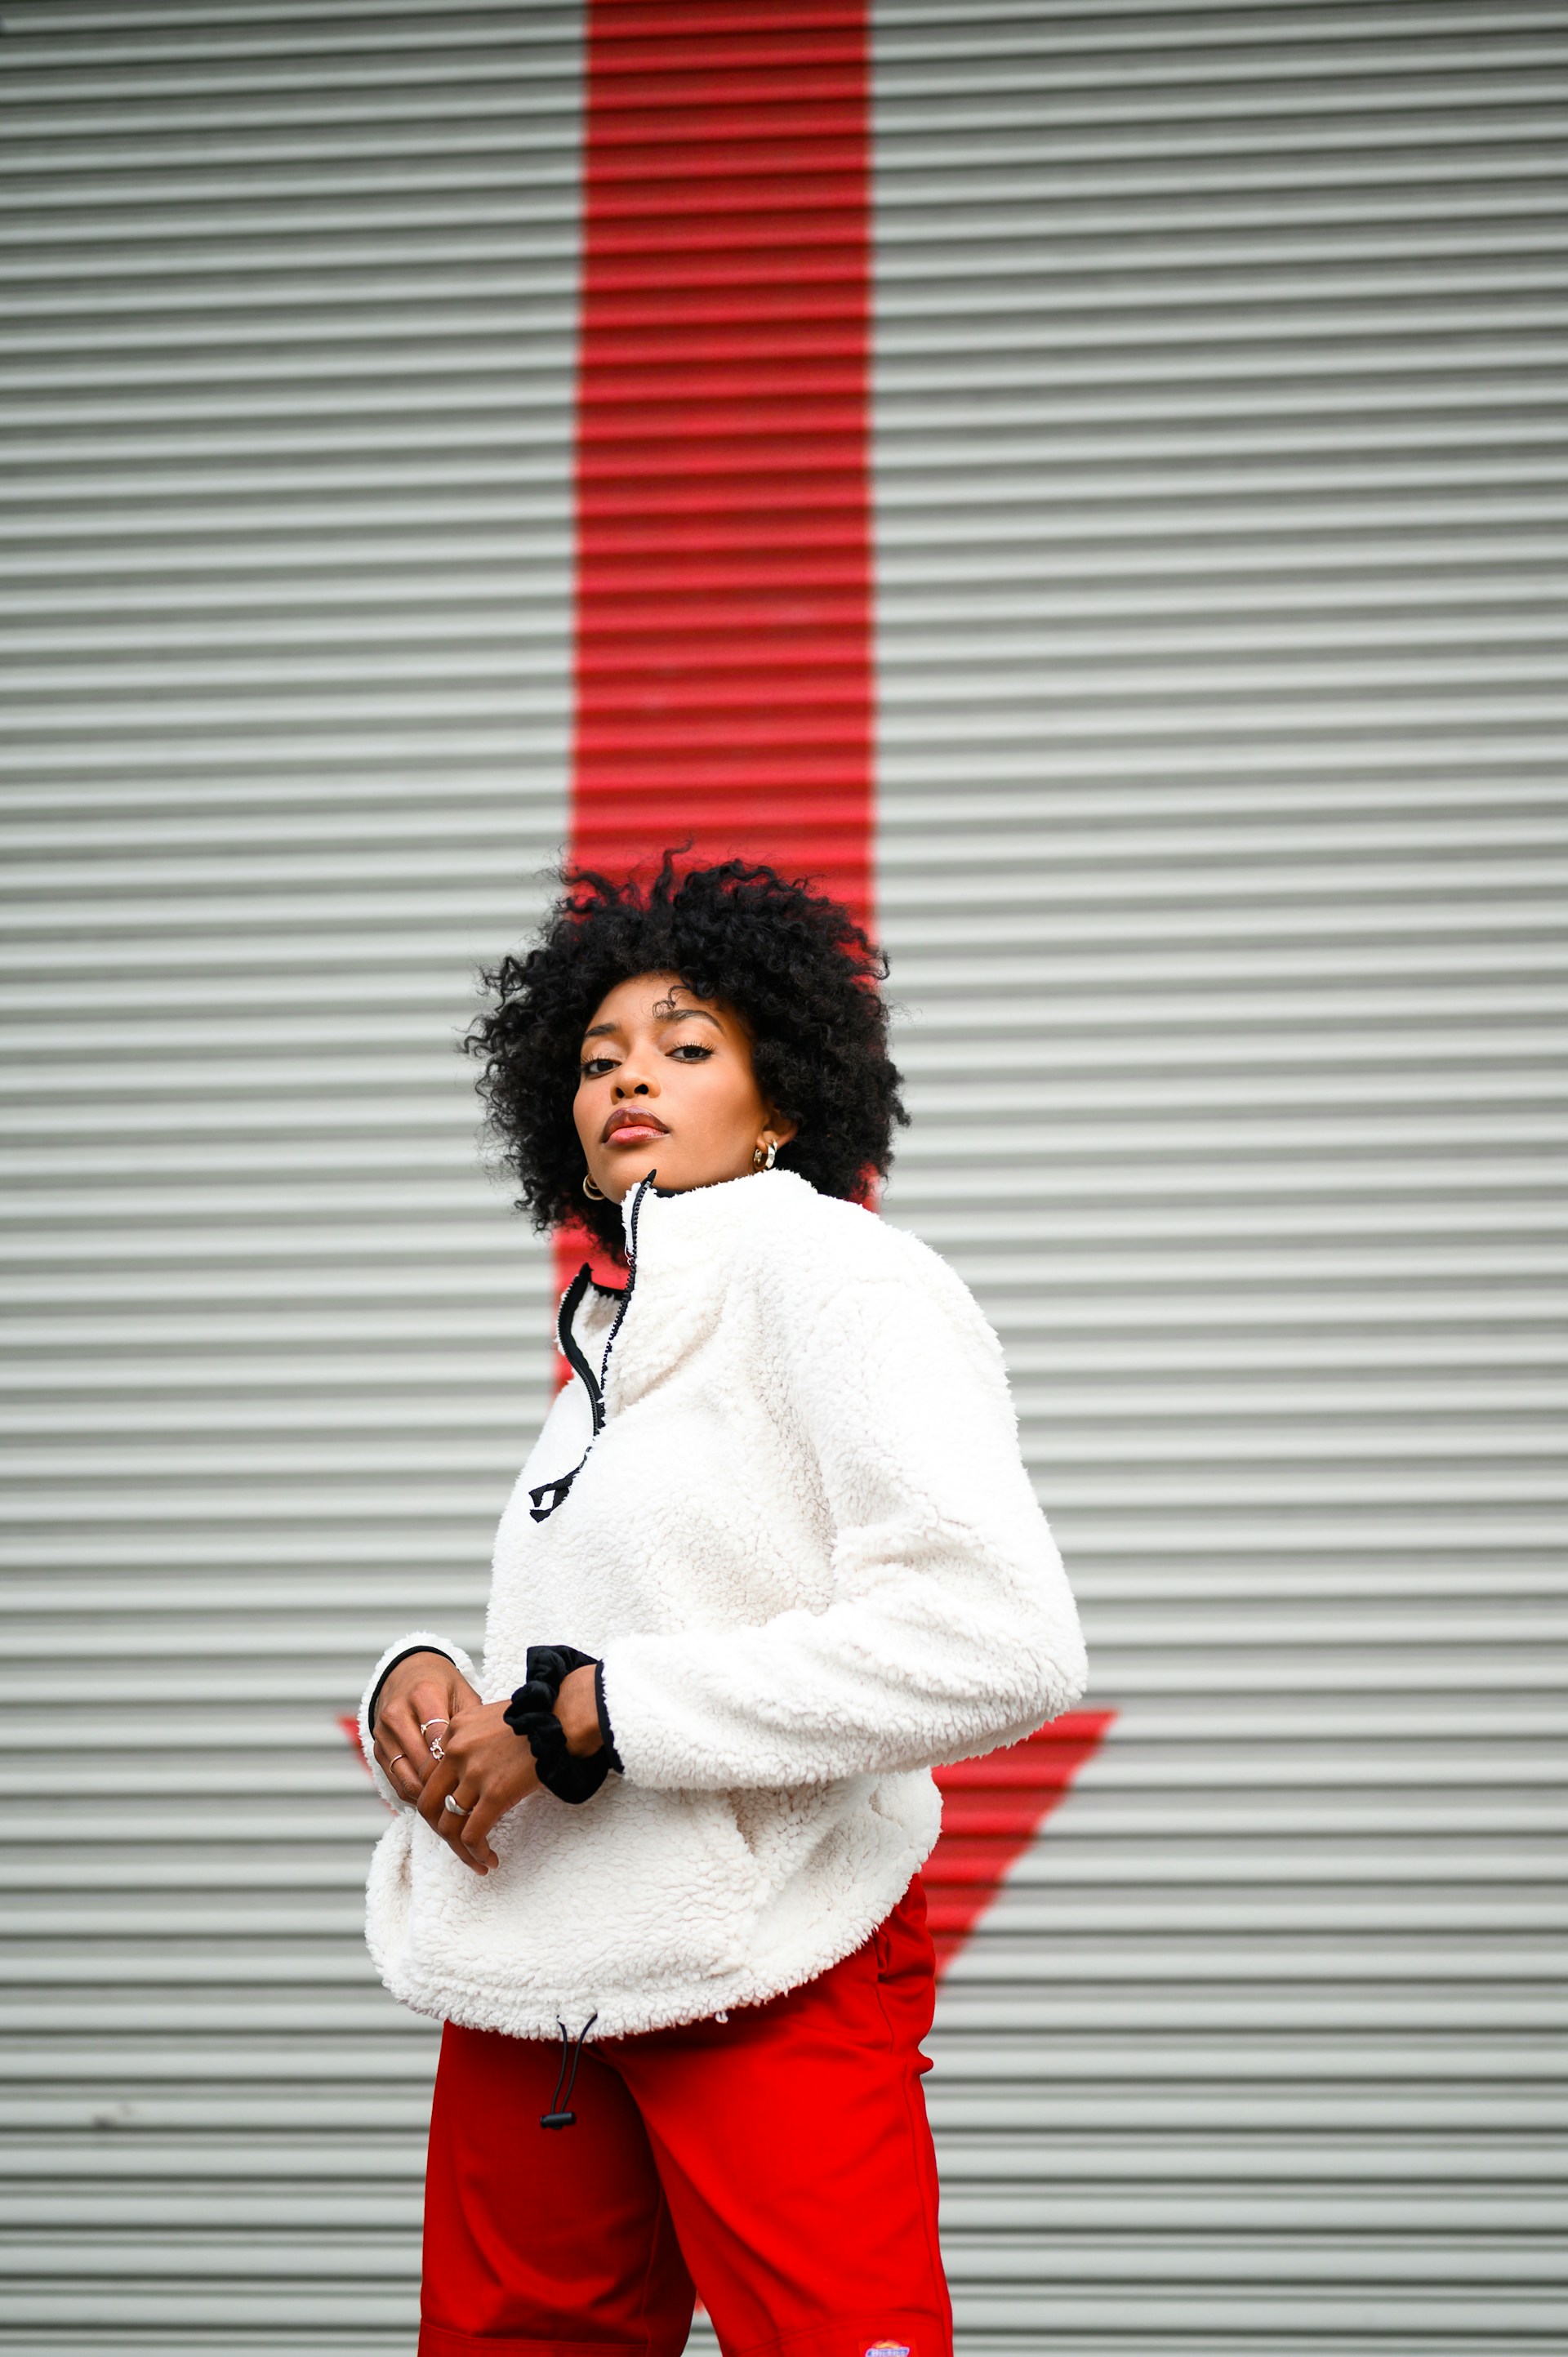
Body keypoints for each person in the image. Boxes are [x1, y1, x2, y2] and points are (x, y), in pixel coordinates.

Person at [359, 855, 1088, 2357]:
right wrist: (422, 1680)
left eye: (687, 1047)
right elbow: (624, 1612)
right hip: (540, 1965)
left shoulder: (837, 1278)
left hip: (768, 1952)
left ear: (780, 1106)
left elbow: (997, 1635)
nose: (631, 1078)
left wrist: (600, 1713)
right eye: (597, 1057)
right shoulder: (614, 1340)